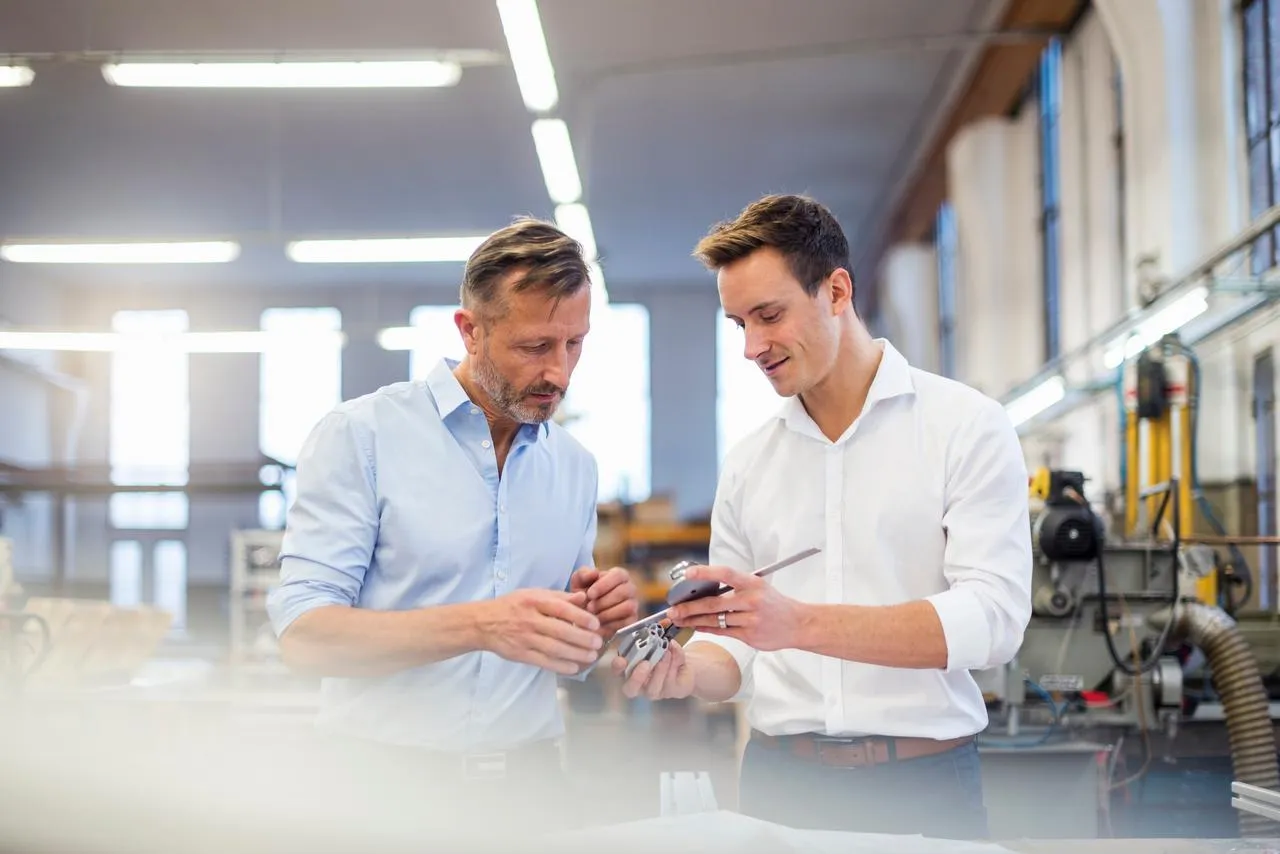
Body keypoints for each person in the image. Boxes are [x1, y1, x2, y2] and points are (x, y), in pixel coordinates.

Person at [613, 194, 1032, 839]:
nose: (753, 345)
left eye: (769, 315)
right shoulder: (751, 463)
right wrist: (687, 671)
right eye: (738, 324)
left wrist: (799, 623)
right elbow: (734, 645)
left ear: (837, 290)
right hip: (782, 787)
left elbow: (994, 622)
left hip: (925, 787)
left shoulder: (966, 427)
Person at [267, 218, 638, 809]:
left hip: (531, 789)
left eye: (575, 344)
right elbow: (305, 639)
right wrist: (482, 625)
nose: (559, 373)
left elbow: (568, 660)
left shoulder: (574, 466)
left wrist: (597, 625)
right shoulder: (362, 437)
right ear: (470, 331)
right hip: (379, 789)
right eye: (535, 346)